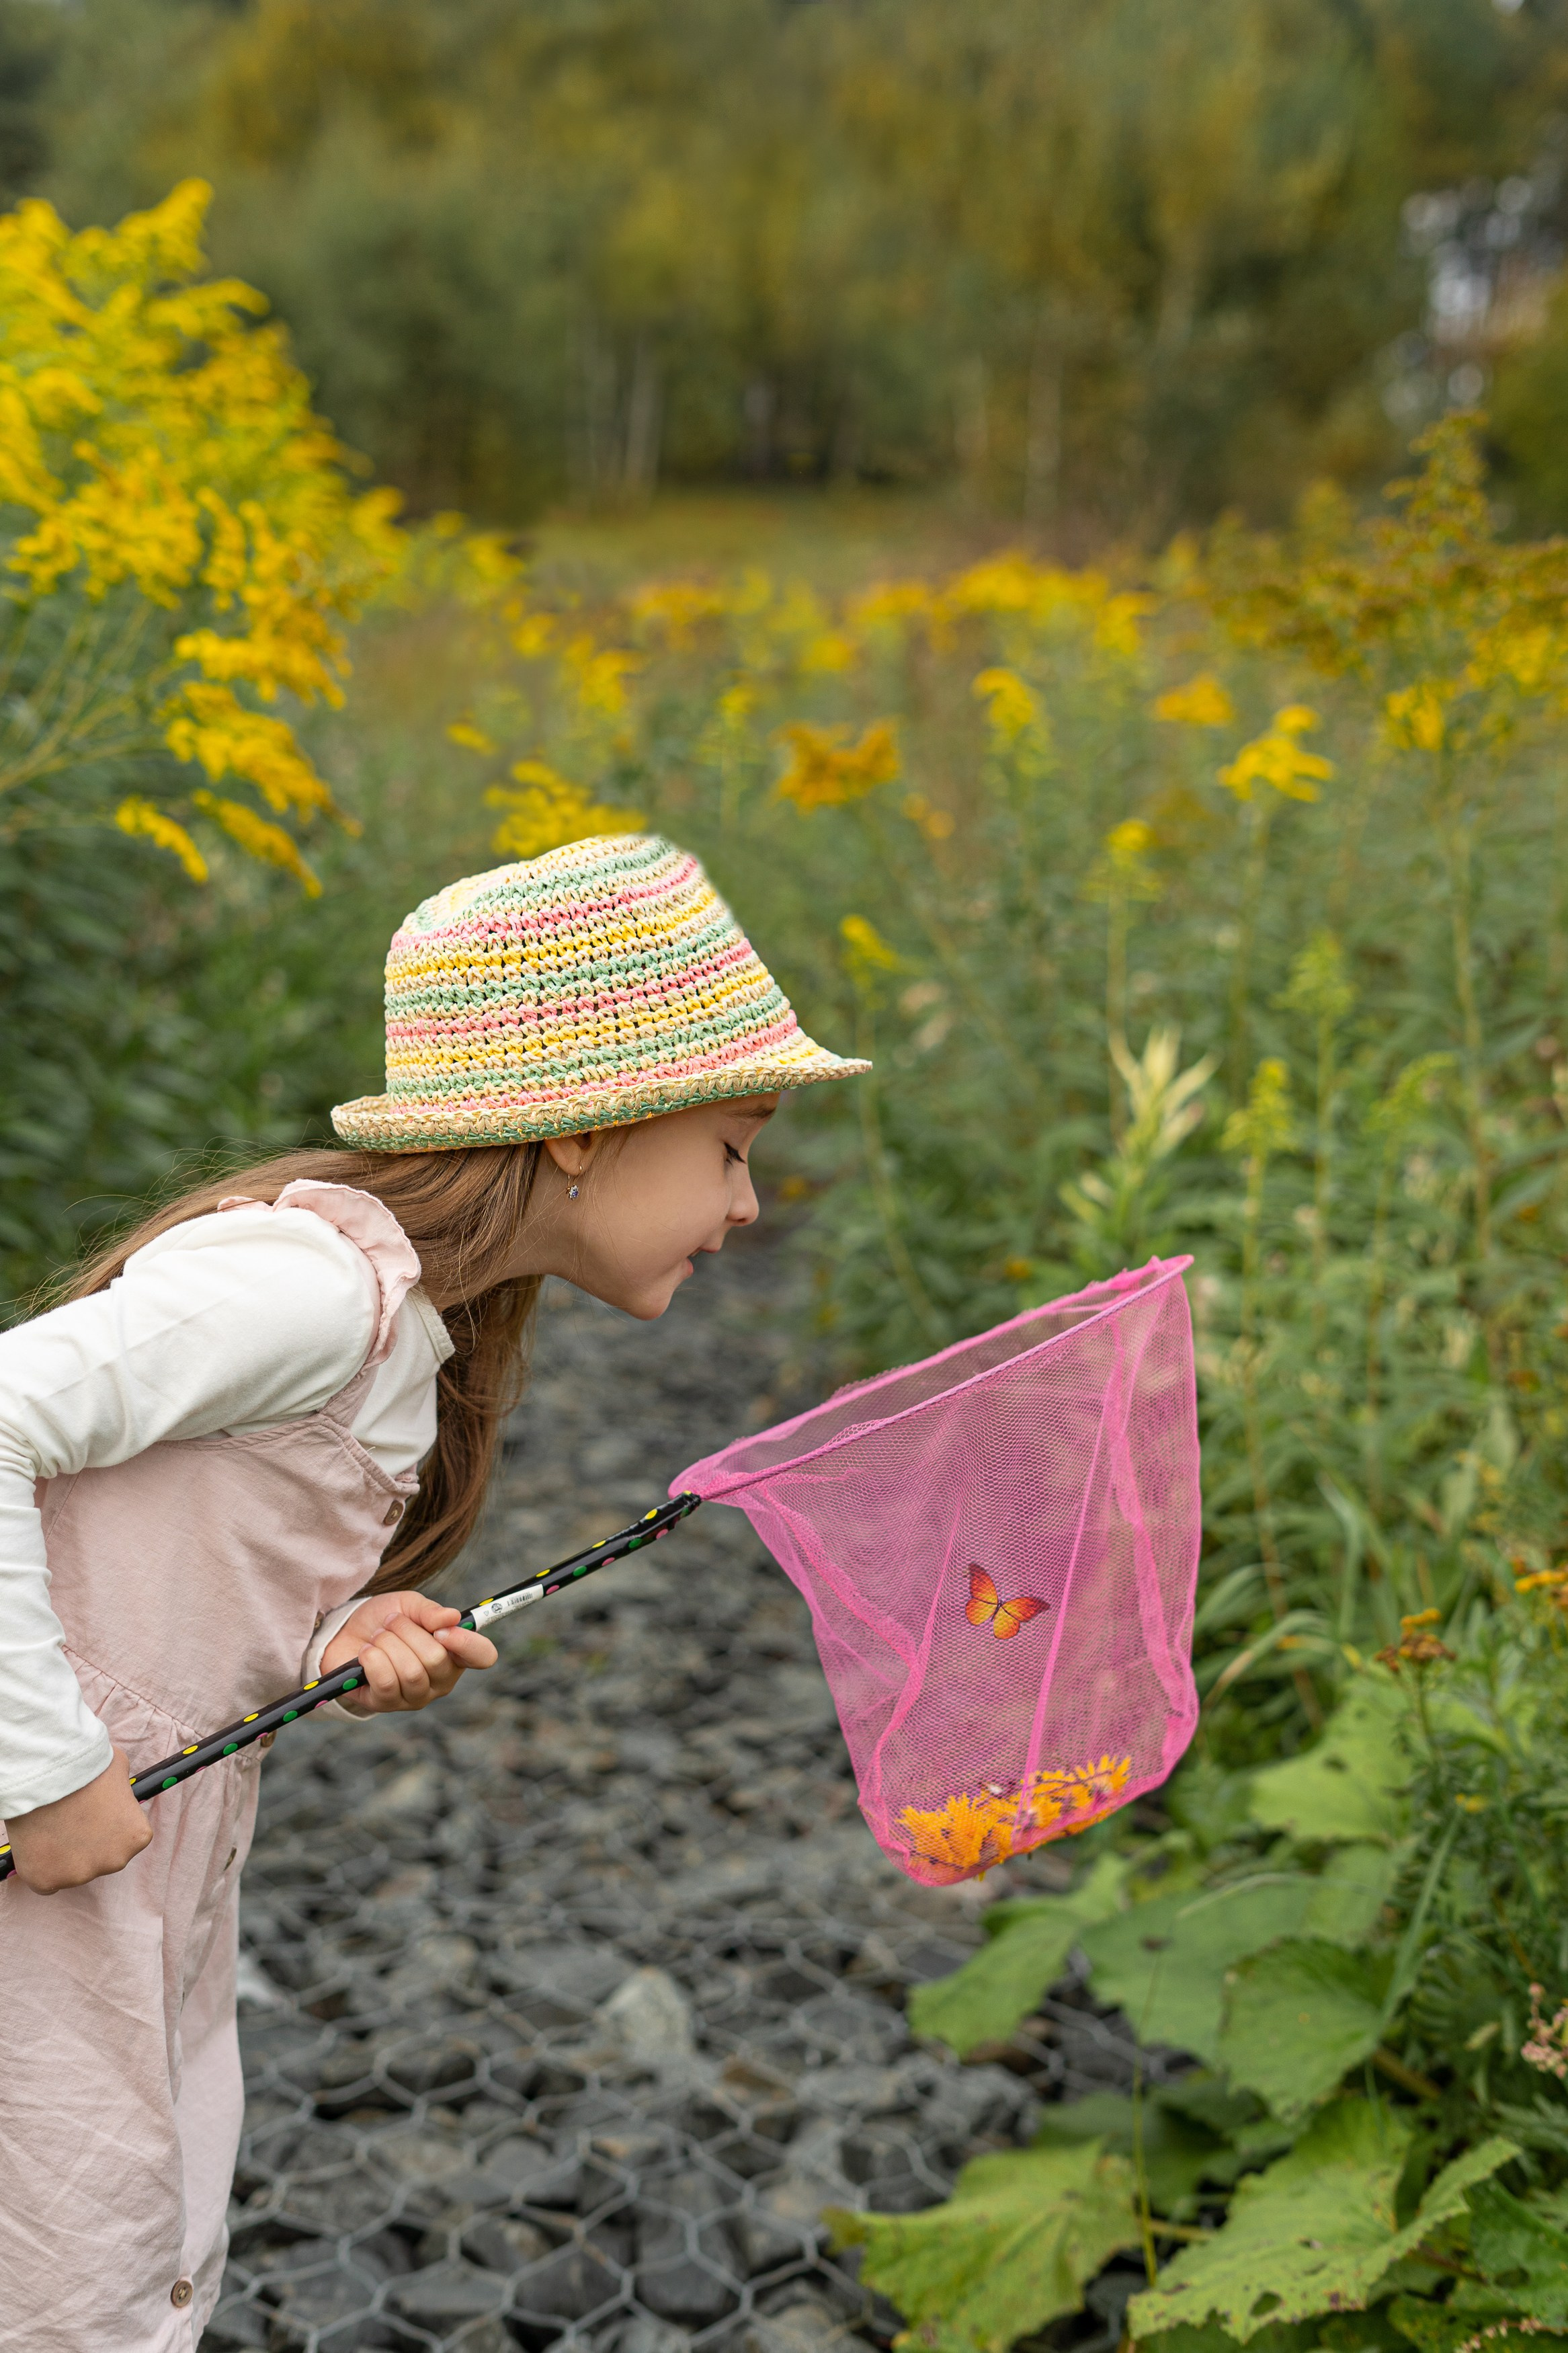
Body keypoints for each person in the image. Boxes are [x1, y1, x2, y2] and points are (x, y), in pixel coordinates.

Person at [0, 832, 866, 2352]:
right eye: (733, 1147)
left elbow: (152, 1544)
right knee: (66, 2267)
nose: (746, 1205)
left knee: (130, 2232)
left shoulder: (409, 1332)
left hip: (131, 1858)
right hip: (47, 1854)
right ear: (588, 1130)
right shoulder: (308, 1285)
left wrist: (323, 1629)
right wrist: (47, 1762)